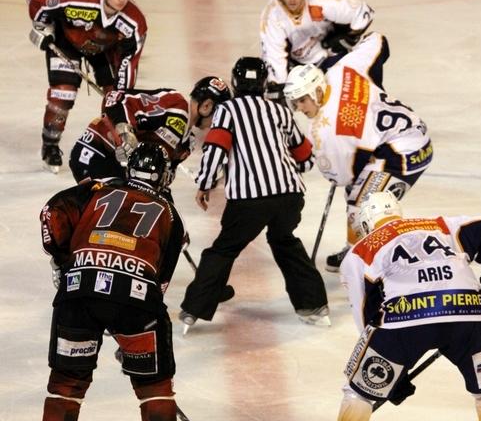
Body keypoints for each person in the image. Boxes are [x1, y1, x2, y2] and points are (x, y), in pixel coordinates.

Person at [318, 191, 481, 421]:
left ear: (367, 223)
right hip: (468, 315)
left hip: (404, 323)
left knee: (358, 390)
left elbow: (365, 315)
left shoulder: (360, 250)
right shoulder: (441, 224)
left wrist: (387, 375)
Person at [38, 143, 189, 421]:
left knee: (67, 381)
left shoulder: (98, 188)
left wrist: (64, 262)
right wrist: (129, 336)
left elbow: (50, 212)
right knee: (154, 384)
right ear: (164, 177)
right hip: (136, 301)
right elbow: (159, 286)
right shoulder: (171, 215)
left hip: (78, 292)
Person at [179, 56, 329, 333]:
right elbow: (306, 158)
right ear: (263, 83)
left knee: (223, 250)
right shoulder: (280, 111)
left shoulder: (227, 111)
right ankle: (314, 306)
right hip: (289, 196)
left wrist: (205, 184)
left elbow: (216, 150)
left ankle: (193, 310)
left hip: (248, 200)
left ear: (235, 83)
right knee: (285, 242)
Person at [284, 31, 432, 272]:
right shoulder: (343, 68)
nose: (300, 108)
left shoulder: (327, 129)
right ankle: (356, 248)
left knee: (364, 202)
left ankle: (379, 258)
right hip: (406, 132)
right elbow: (378, 41)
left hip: (405, 153)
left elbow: (340, 178)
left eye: (302, 100)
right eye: (295, 102)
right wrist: (342, 46)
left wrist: (353, 154)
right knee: (359, 192)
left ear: (316, 91)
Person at [28, 0, 147, 172]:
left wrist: (120, 96)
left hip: (104, 51)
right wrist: (42, 28)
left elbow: (130, 61)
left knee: (115, 98)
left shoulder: (134, 22)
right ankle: (50, 144)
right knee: (63, 94)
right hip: (67, 42)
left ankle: (116, 147)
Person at [69, 76, 231, 185]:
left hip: (119, 171)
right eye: (221, 112)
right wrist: (125, 132)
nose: (221, 119)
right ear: (206, 106)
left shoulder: (187, 145)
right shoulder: (175, 105)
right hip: (95, 154)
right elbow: (114, 97)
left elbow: (158, 182)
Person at [259, 0, 375, 101]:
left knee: (349, 96)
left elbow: (363, 12)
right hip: (296, 68)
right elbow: (274, 57)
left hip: (330, 56)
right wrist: (280, 88)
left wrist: (346, 38)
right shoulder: (272, 16)